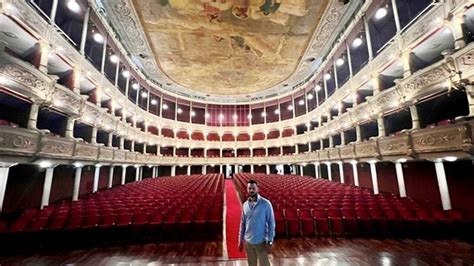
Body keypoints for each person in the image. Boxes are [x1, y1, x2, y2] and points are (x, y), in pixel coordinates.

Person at [238, 179, 275, 266]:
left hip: (261, 241)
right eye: (249, 188)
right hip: (248, 242)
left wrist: (270, 241)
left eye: (253, 188)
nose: (251, 190)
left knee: (265, 264)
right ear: (247, 189)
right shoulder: (245, 205)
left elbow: (271, 223)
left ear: (257, 189)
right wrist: (240, 240)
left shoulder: (266, 203)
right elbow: (242, 223)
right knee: (252, 264)